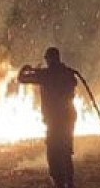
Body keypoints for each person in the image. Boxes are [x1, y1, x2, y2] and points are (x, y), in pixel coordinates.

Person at [19, 47, 79, 188]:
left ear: (49, 59)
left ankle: (59, 182)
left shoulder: (45, 75)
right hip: (68, 117)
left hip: (55, 120)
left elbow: (22, 79)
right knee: (66, 151)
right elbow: (74, 82)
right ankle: (69, 183)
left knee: (53, 152)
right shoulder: (66, 73)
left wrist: (25, 69)